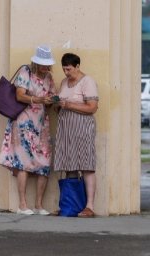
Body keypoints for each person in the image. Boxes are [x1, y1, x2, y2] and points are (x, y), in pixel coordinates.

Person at [0, 45, 56, 215]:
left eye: (47, 65)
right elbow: (19, 95)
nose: (45, 68)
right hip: (23, 122)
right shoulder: (26, 72)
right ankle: (22, 205)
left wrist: (52, 99)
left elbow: (51, 95)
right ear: (36, 63)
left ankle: (39, 205)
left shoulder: (49, 77)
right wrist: (39, 99)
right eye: (43, 65)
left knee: (44, 163)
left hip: (42, 124)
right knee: (23, 163)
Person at [54, 53, 99, 218]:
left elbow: (92, 107)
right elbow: (61, 104)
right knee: (70, 166)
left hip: (83, 128)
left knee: (86, 165)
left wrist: (69, 104)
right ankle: (71, 204)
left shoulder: (88, 82)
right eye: (64, 69)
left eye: (69, 69)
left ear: (78, 66)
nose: (66, 72)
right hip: (66, 129)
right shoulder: (64, 82)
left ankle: (89, 206)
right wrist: (57, 104)